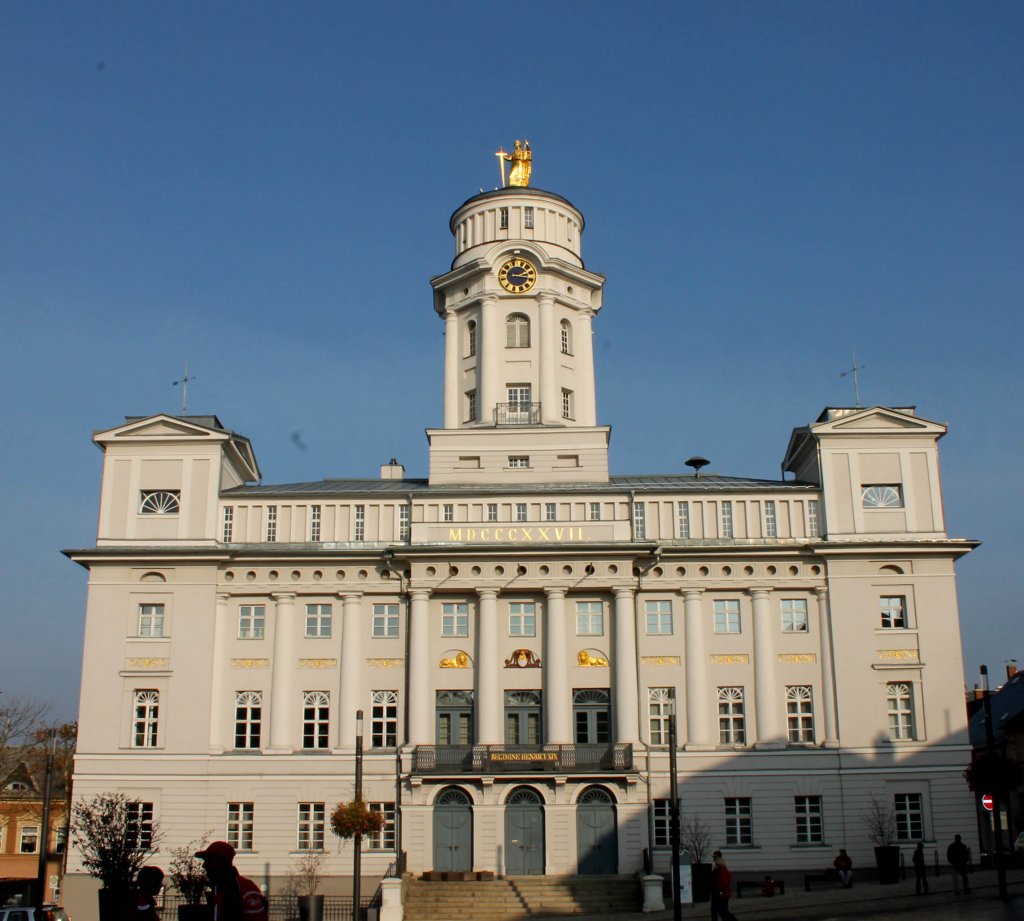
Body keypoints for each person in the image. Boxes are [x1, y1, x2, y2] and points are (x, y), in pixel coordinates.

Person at [195, 840, 268, 921]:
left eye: (208, 860)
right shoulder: (220, 887)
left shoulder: (239, 887)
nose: (204, 865)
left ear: (221, 862)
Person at [710, 851, 738, 921]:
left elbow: (724, 884)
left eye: (715, 856)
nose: (713, 858)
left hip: (720, 893)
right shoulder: (718, 868)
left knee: (722, 911)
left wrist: (720, 893)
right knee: (719, 910)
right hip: (717, 892)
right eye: (713, 856)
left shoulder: (721, 869)